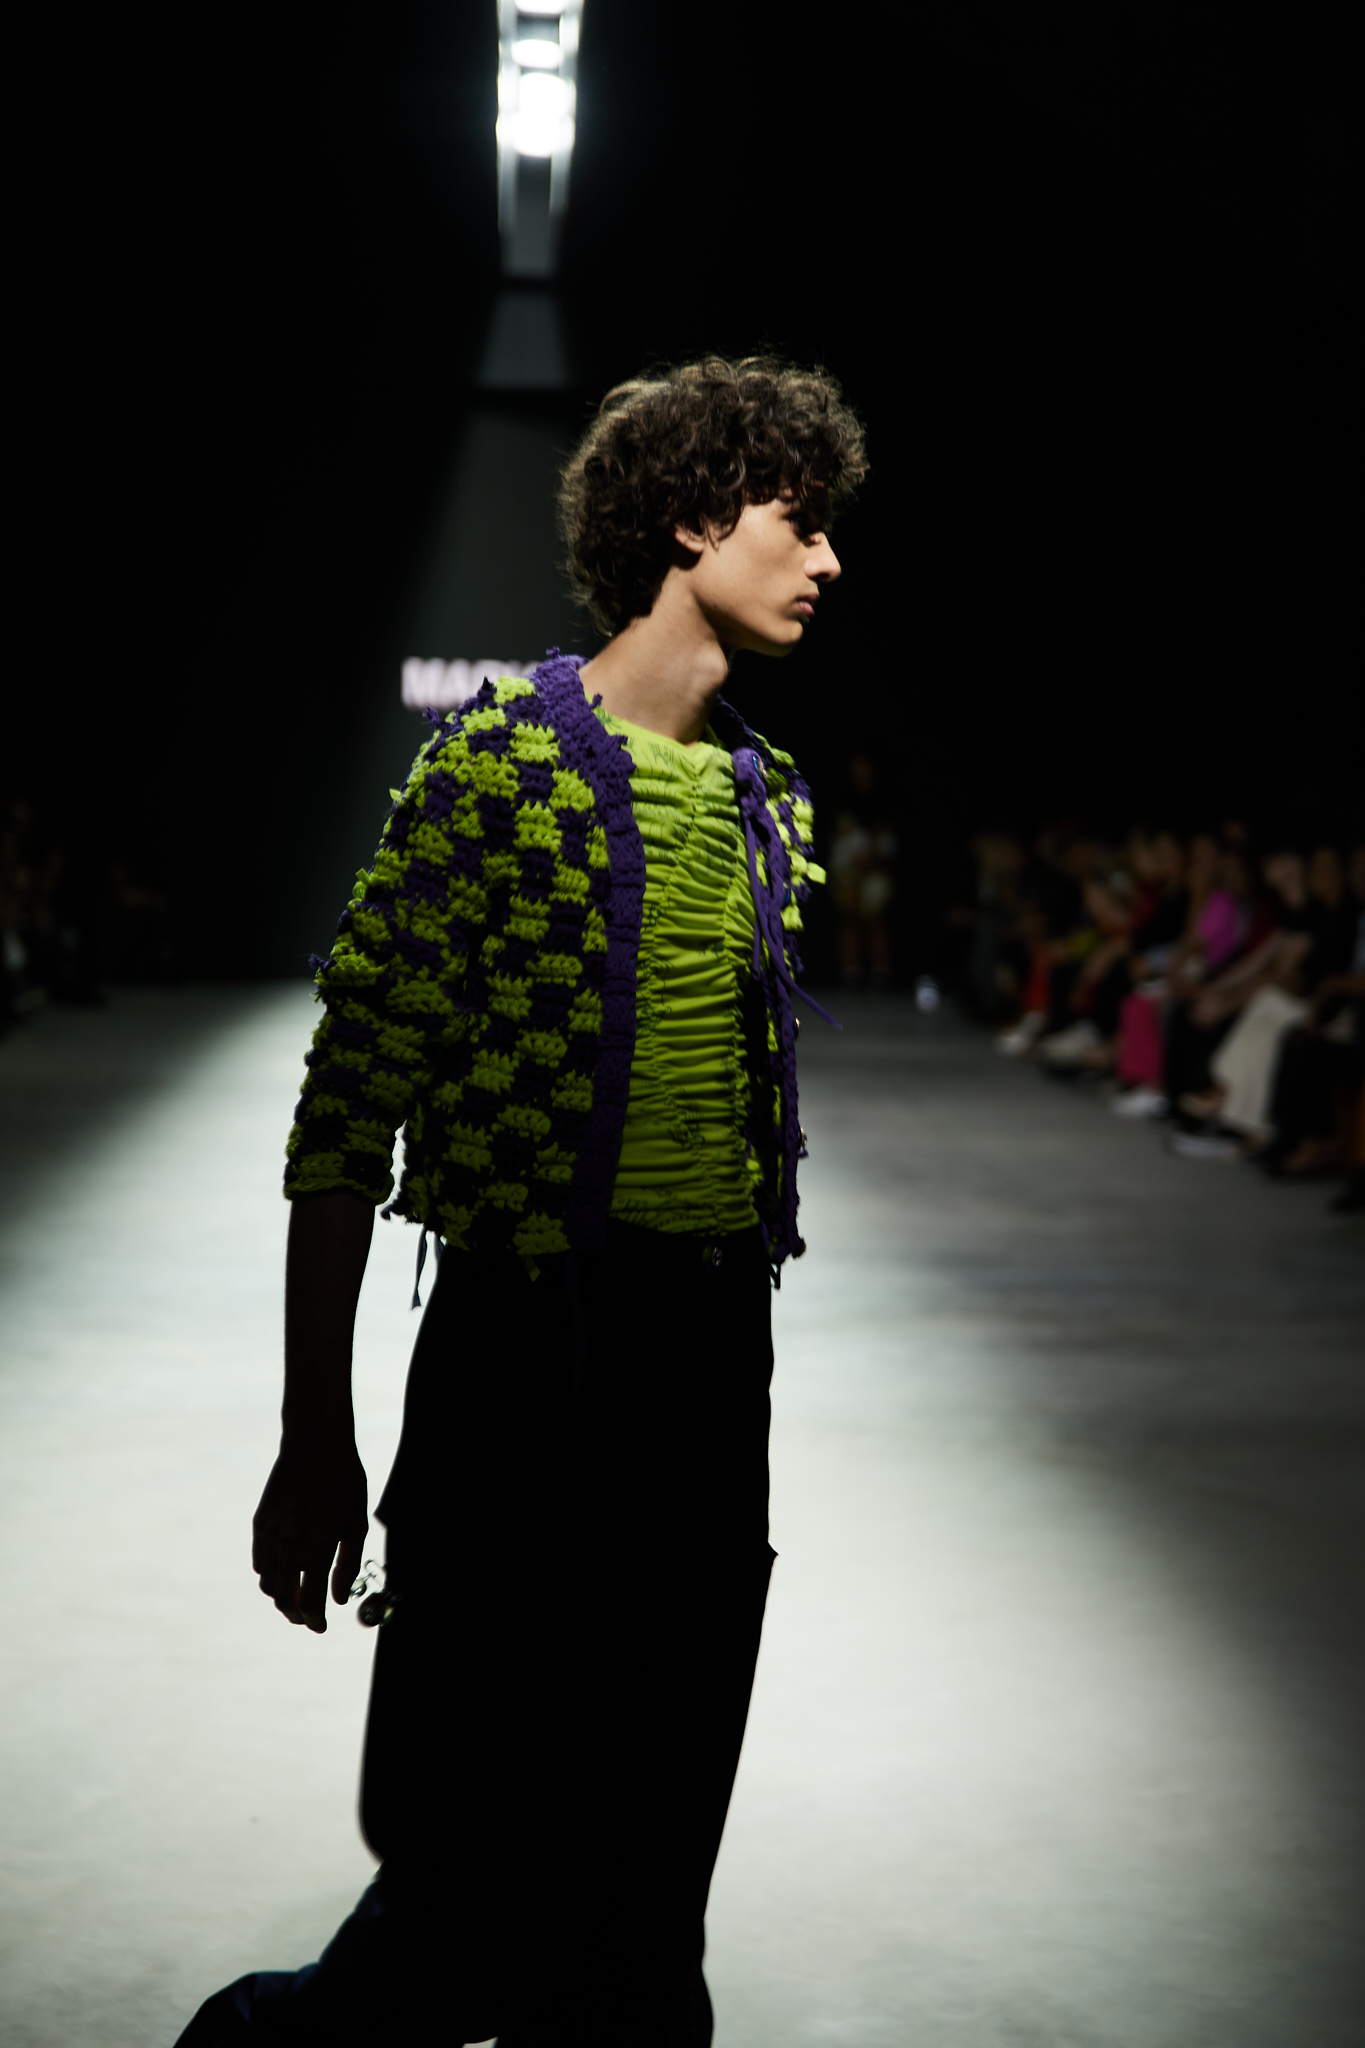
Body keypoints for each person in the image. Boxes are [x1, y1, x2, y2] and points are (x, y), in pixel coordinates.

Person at [174, 356, 868, 2047]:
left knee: (647, 1907)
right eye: (800, 520)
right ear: (692, 519)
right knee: (452, 1915)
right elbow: (346, 1114)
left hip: (711, 1363)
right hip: (522, 1359)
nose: (829, 559)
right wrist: (316, 1431)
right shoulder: (497, 769)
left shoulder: (767, 800)